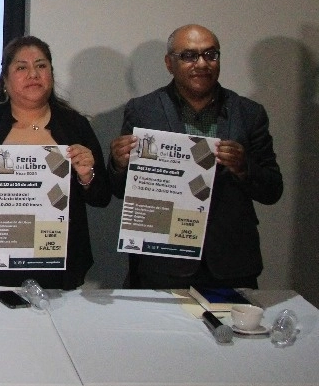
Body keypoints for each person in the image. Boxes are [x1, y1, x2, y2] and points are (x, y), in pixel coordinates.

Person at [107, 24, 283, 289]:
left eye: (210, 55)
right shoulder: (143, 110)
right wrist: (119, 165)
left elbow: (273, 189)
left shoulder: (249, 113)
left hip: (231, 263)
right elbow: (120, 190)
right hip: (162, 262)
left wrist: (244, 167)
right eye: (189, 56)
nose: (202, 63)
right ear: (169, 63)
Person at [0, 36, 110, 290]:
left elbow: (101, 197)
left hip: (55, 259)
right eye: (21, 68)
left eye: (41, 66)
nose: (33, 74)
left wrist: (87, 176)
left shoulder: (74, 125)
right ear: (5, 80)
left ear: (51, 73)